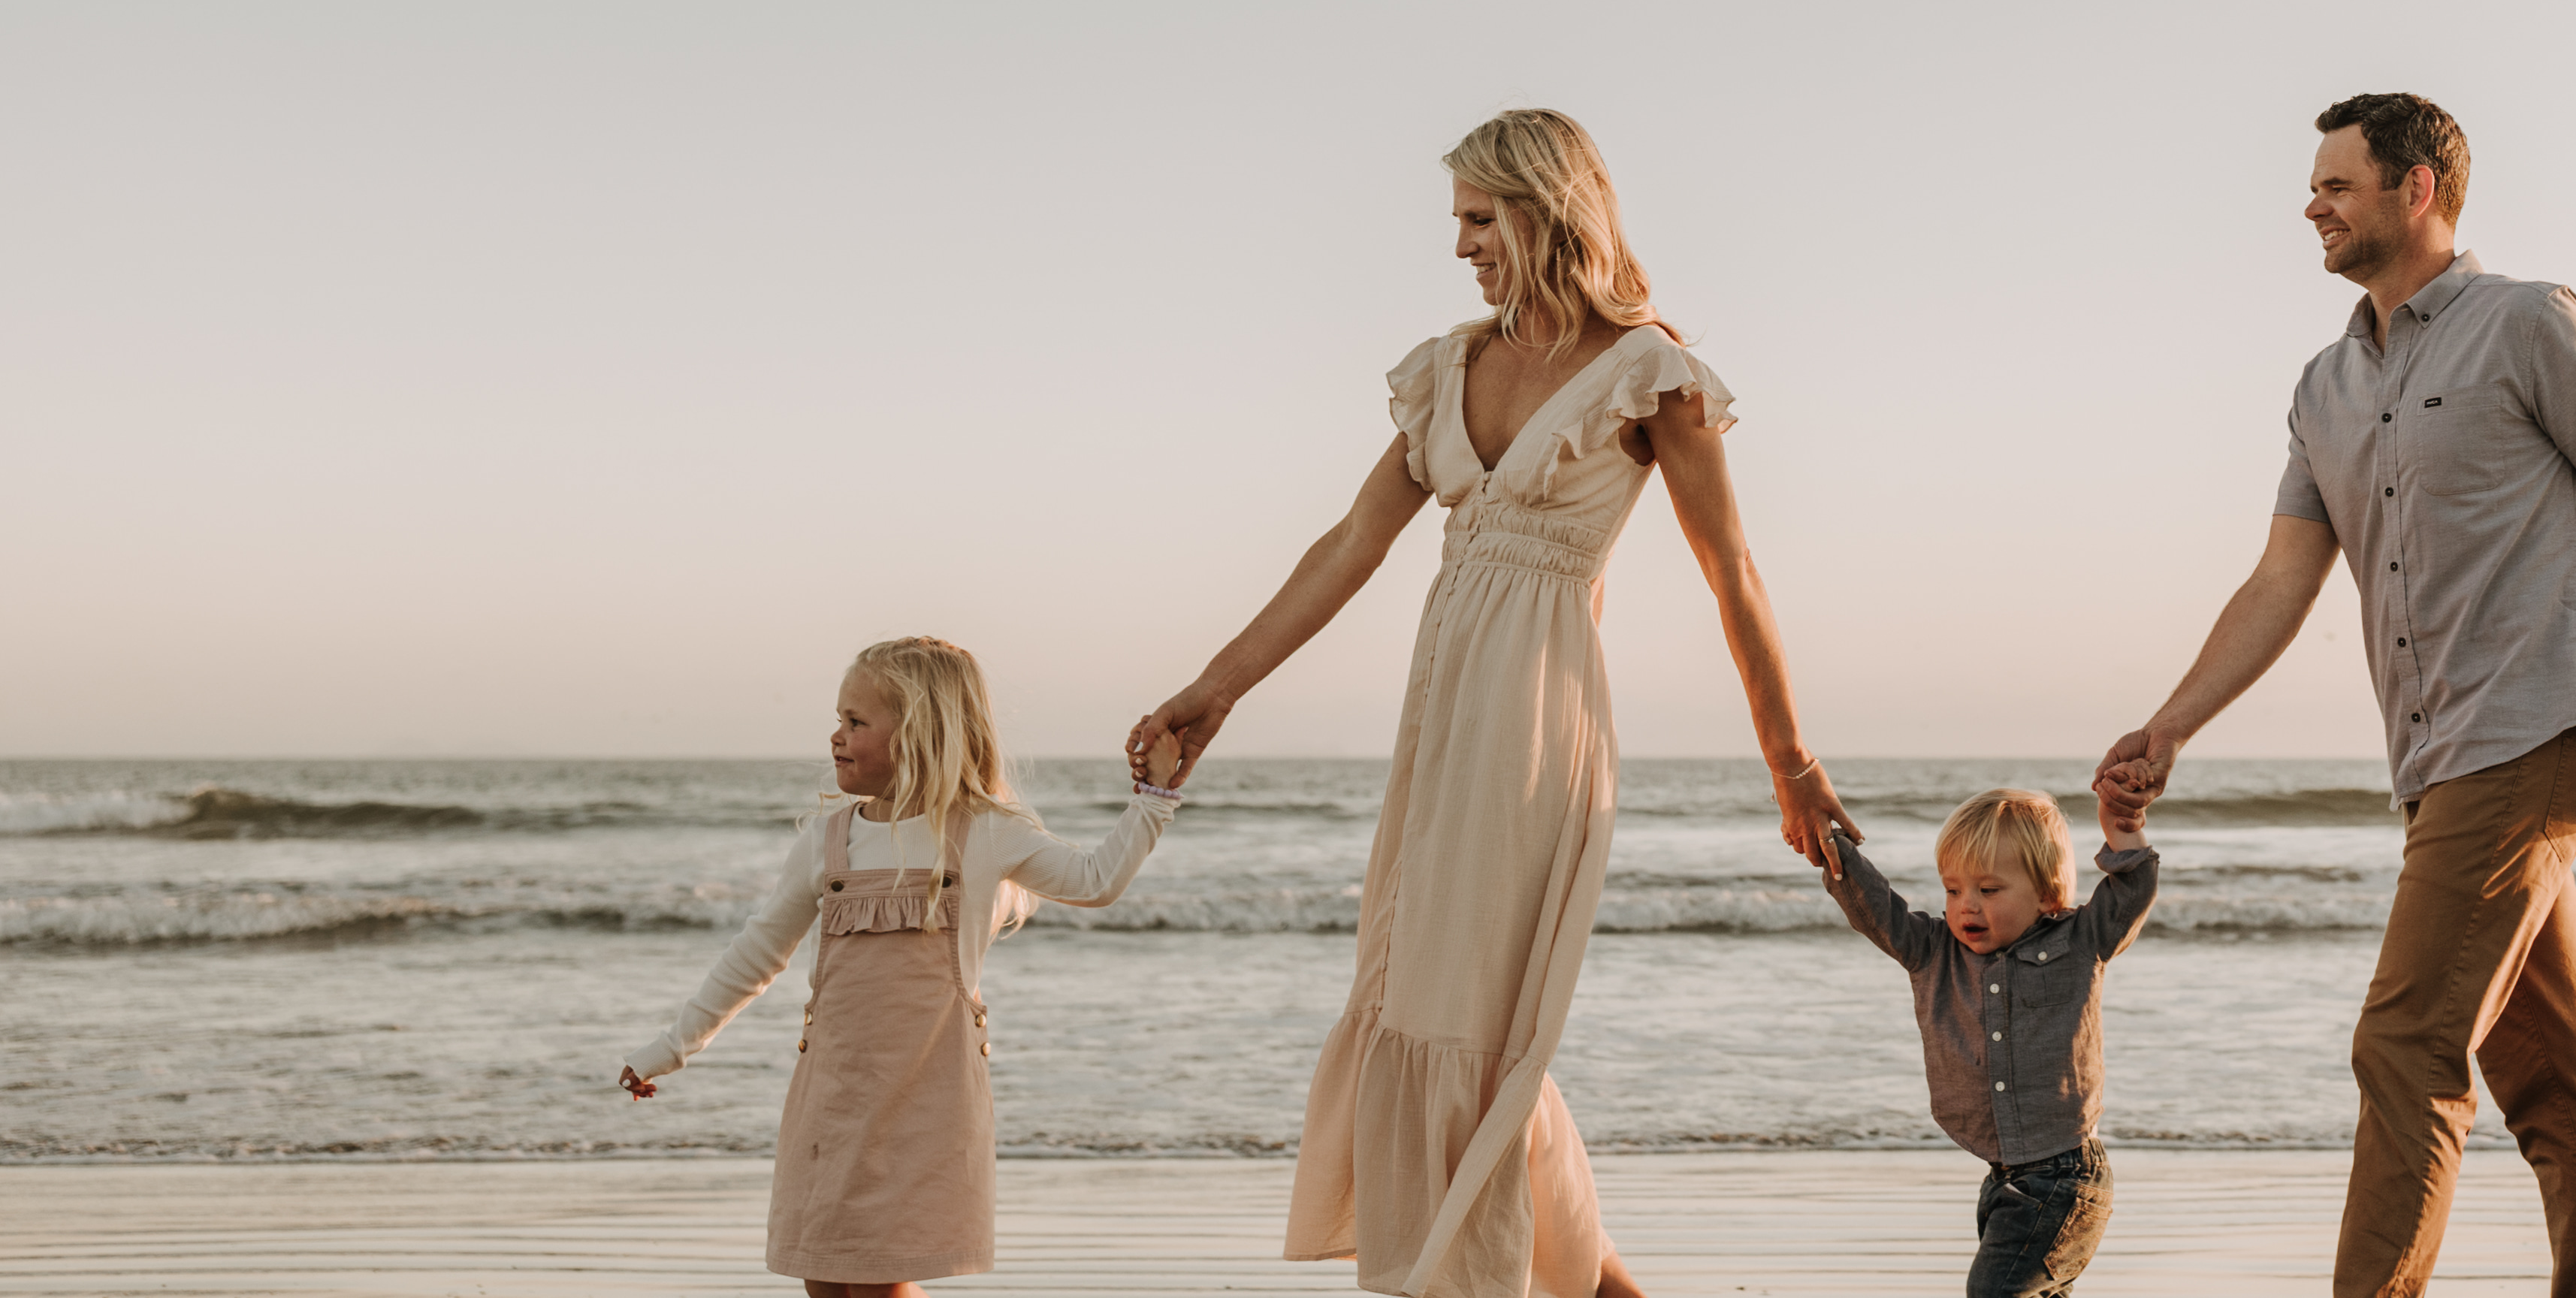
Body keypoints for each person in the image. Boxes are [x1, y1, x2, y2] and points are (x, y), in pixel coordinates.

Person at [1126, 109, 1854, 1298]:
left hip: (1535, 715)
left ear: (1546, 210)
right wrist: (1216, 690)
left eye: (1478, 218)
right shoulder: (1451, 366)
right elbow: (1348, 545)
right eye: (1457, 220)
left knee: (1462, 1013)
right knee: (1428, 993)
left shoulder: (1646, 369)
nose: (1460, 244)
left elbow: (1735, 573)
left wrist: (1792, 761)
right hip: (1443, 703)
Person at [2095, 91, 2576, 1298]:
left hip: (2526, 734)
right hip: (2432, 765)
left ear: (2416, 189)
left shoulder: (2530, 321)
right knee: (2556, 1081)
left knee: (2405, 1043)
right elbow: (2280, 579)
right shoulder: (2323, 385)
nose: (2311, 204)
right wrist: (2169, 725)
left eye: (2336, 182)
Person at [615, 635, 1182, 1298]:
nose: (835, 735)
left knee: (880, 1283)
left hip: (926, 1098)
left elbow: (1095, 879)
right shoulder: (828, 840)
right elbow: (756, 953)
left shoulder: (981, 831)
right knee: (824, 1278)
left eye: (856, 722)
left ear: (918, 733)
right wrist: (669, 1048)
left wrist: (1153, 796)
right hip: (833, 1096)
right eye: (838, 718)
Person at [1815, 783, 2161, 1298]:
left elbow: (2132, 890)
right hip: (2004, 1180)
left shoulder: (2081, 940)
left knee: (1994, 1292)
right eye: (1953, 890)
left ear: (2048, 893)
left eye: (1989, 890)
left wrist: (2123, 829)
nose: (1966, 906)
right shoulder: (1933, 953)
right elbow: (1875, 908)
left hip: (2064, 1176)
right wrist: (1827, 842)